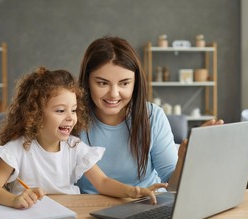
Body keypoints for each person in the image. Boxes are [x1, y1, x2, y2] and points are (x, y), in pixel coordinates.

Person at [0, 67, 167, 209]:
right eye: (60, 111)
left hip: (69, 216)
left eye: (73, 110)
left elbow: (102, 182)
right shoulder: (17, 150)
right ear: (35, 114)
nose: (70, 117)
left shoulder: (75, 147)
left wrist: (133, 191)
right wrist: (15, 199)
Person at [77, 36, 223, 194]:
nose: (114, 94)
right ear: (87, 82)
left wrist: (185, 158)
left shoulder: (152, 116)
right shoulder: (71, 119)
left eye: (124, 83)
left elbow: (172, 188)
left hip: (147, 203)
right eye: (102, 83)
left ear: (135, 83)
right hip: (89, 208)